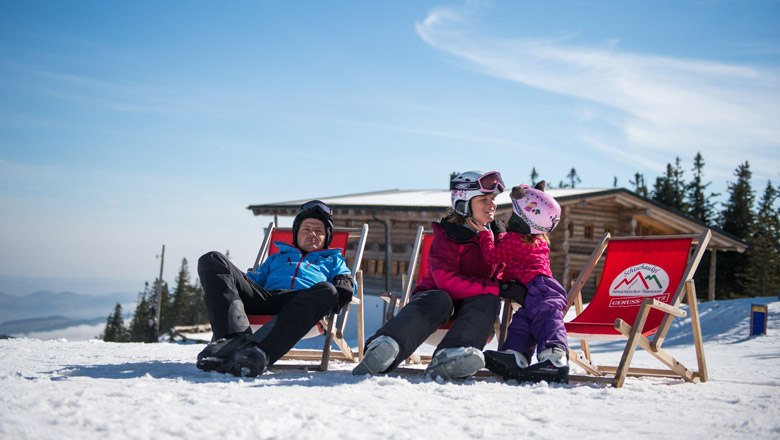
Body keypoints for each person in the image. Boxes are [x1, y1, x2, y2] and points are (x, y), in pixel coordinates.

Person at [352, 171, 528, 380]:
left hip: (472, 320)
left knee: (488, 300)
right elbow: (446, 281)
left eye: (493, 199)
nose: (492, 205)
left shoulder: (497, 239)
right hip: (432, 311)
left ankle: (452, 356)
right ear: (464, 202)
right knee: (440, 298)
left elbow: (508, 274)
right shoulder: (447, 236)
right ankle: (386, 347)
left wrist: (506, 244)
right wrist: (496, 287)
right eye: (484, 199)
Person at [195, 200, 355, 377]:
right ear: (296, 234)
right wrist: (236, 281)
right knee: (212, 259)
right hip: (266, 298)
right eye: (306, 229)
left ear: (327, 237)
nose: (312, 234)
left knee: (328, 290)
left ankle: (257, 353)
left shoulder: (333, 260)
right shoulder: (277, 257)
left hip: (300, 304)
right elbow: (254, 281)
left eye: (319, 231)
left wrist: (344, 285)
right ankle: (230, 340)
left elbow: (346, 281)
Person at [471, 181, 570, 383]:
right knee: (523, 323)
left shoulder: (514, 239)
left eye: (514, 215)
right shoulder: (537, 237)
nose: (511, 219)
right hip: (533, 288)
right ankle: (515, 356)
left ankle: (554, 358)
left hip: (539, 288)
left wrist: (484, 234)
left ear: (522, 219)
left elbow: (491, 256)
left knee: (546, 317)